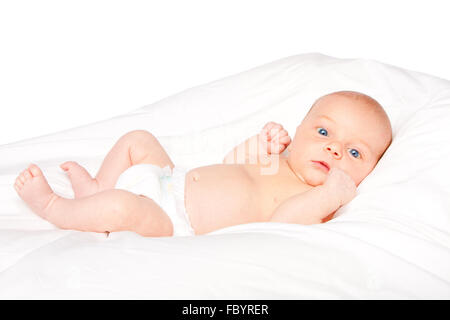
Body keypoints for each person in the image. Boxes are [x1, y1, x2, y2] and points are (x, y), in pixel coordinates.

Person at [14, 91, 392, 237]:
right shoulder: (279, 161)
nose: (335, 151)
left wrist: (331, 195)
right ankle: (97, 187)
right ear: (300, 128)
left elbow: (282, 223)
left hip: (173, 220)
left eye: (355, 153)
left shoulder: (314, 202)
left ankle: (55, 207)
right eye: (324, 133)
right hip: (168, 179)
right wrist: (260, 144)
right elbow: (232, 164)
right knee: (138, 140)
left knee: (122, 208)